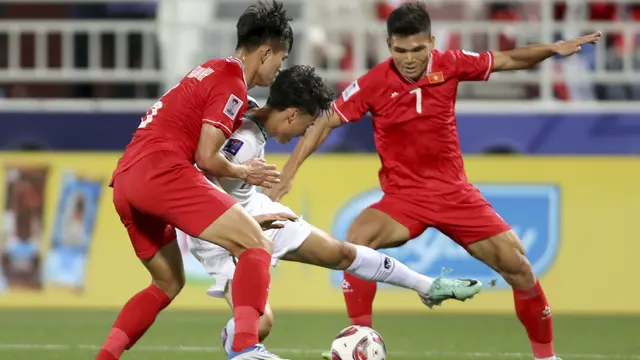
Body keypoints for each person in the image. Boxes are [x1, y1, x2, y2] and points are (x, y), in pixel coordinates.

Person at [264, 3, 601, 360]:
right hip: (403, 198)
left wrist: (552, 49)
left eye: (418, 50)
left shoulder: (451, 64)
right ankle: (360, 336)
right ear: (389, 45)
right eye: (400, 50)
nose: (409, 59)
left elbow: (506, 59)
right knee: (359, 238)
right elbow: (326, 121)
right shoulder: (373, 83)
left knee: (518, 266)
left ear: (432, 43)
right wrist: (288, 173)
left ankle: (546, 357)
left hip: (454, 193)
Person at [179, 65, 482, 355]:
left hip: (253, 209)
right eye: (307, 124)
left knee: (341, 253)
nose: (304, 132)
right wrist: (250, 217)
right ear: (292, 114)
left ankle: (426, 286)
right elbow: (199, 181)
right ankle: (236, 345)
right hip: (219, 230)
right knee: (261, 323)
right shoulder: (245, 140)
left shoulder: (252, 117)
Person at [96, 1, 297, 359]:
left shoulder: (209, 70)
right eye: (281, 59)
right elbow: (206, 157)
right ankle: (246, 348)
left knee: (167, 282)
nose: (280, 69)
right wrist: (242, 171)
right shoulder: (232, 83)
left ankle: (105, 356)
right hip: (163, 171)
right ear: (265, 52)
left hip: (127, 179)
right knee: (256, 247)